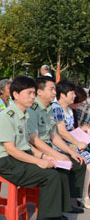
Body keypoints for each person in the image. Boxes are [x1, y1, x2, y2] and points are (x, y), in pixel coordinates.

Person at [0, 76, 78, 220]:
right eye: (29, 93)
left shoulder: (23, 115)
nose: (33, 97)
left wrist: (45, 156)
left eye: (33, 93)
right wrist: (39, 161)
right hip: (6, 162)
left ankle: (55, 214)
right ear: (15, 95)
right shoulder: (7, 116)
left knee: (59, 168)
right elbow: (11, 150)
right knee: (50, 176)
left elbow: (27, 145)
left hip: (21, 156)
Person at [27, 77, 88, 210]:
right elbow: (34, 140)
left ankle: (69, 202)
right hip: (37, 149)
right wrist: (57, 155)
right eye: (51, 89)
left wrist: (72, 152)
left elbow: (54, 136)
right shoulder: (33, 109)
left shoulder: (49, 108)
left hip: (48, 146)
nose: (55, 92)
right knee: (62, 168)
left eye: (55, 89)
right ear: (40, 92)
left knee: (78, 162)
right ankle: (58, 209)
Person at [52, 80, 90, 209]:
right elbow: (62, 132)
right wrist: (78, 142)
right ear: (63, 95)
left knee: (86, 156)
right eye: (72, 93)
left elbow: (71, 130)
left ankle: (81, 195)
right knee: (85, 159)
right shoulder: (56, 108)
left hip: (70, 143)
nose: (74, 96)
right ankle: (82, 196)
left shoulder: (68, 109)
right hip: (60, 145)